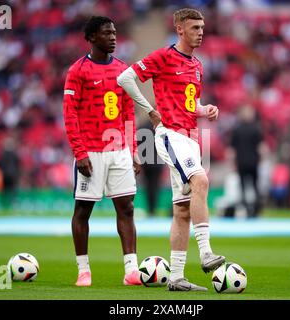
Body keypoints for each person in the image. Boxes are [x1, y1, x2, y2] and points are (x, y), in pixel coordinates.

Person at [118, 8, 225, 291]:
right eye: (194, 28)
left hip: (189, 137)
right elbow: (125, 79)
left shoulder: (198, 65)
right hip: (170, 135)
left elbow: (192, 104)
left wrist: (205, 110)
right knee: (200, 180)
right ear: (179, 29)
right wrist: (150, 111)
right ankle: (205, 253)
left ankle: (176, 276)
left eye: (202, 27)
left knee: (181, 211)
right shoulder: (163, 57)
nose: (200, 32)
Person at [63, 16, 142, 287]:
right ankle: (83, 270)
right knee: (83, 210)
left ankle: (131, 270)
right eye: (107, 33)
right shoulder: (78, 70)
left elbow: (129, 113)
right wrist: (79, 152)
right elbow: (69, 114)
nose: (113, 37)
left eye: (115, 32)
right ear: (92, 37)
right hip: (91, 151)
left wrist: (133, 149)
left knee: (127, 208)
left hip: (119, 149)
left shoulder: (123, 70)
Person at [229, 105, 264, 217]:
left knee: (243, 186)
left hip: (241, 162)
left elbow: (232, 150)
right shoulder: (256, 129)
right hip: (253, 162)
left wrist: (233, 163)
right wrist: (261, 160)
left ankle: (245, 208)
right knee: (255, 186)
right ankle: (256, 209)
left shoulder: (237, 130)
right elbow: (261, 148)